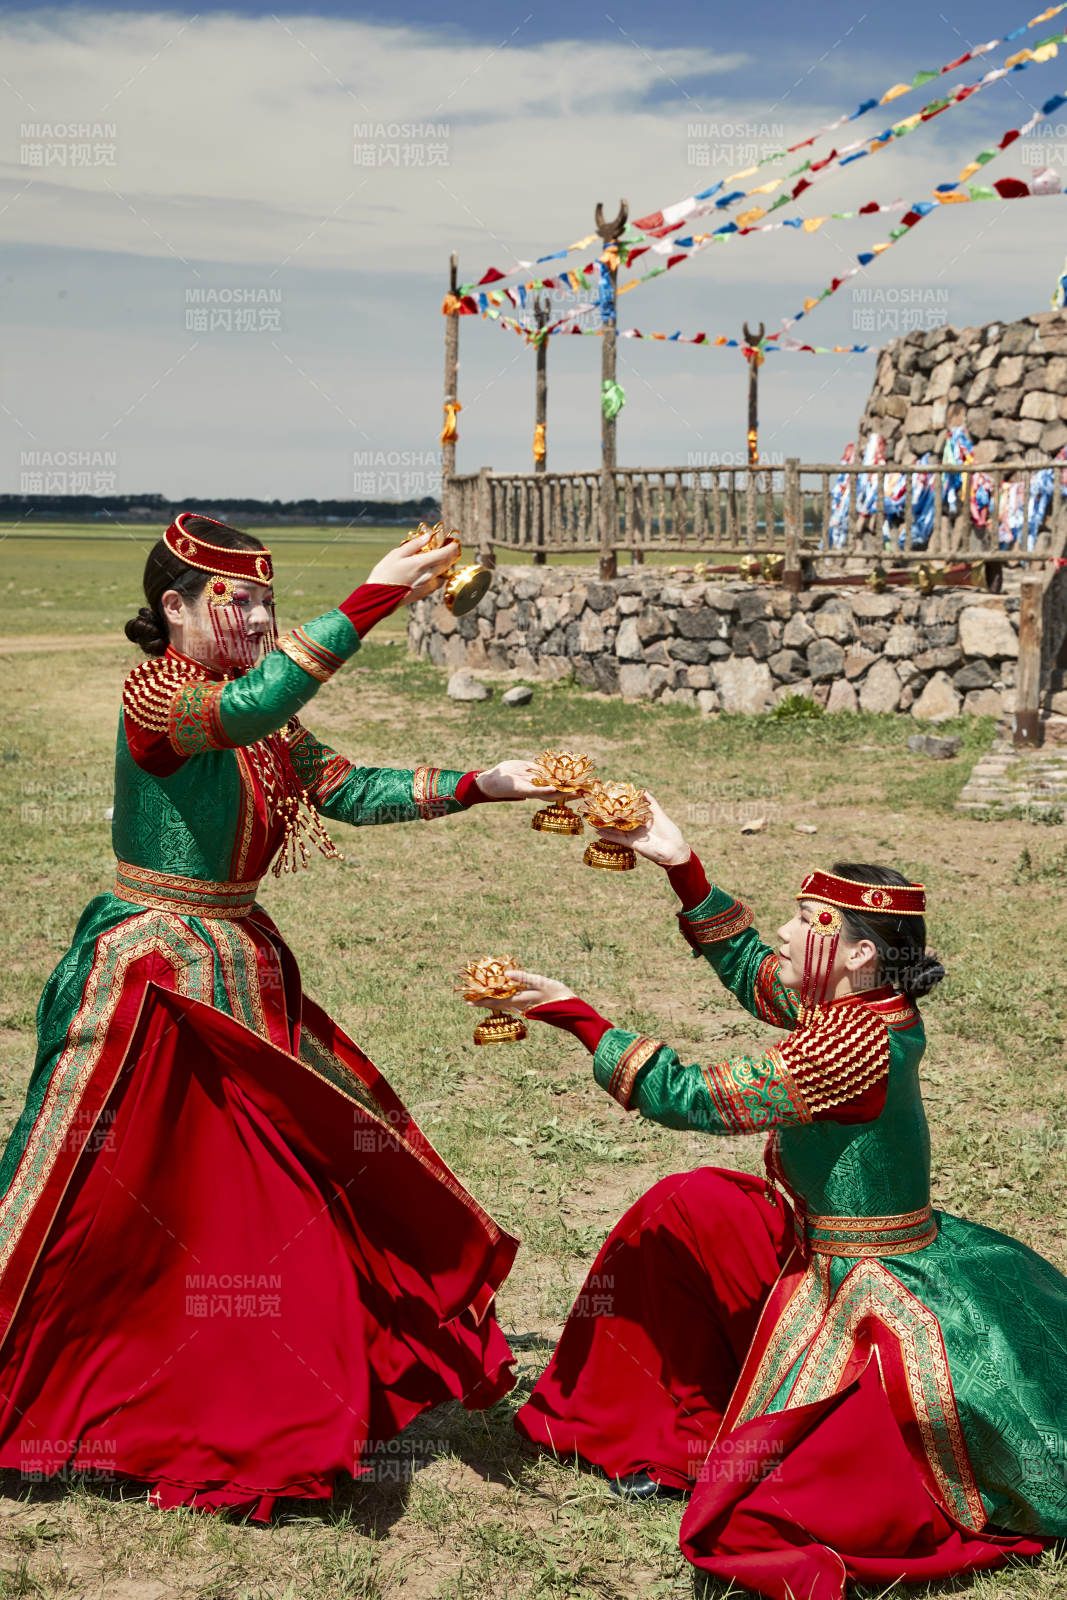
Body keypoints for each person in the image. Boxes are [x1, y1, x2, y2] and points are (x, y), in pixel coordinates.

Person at [0, 513, 554, 1522]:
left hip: (244, 970)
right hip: (153, 976)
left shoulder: (266, 722)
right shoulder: (159, 695)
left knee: (262, 1200)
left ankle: (251, 1388)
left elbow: (344, 788)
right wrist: (373, 594)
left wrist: (481, 783)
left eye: (266, 600)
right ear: (173, 607)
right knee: (111, 1197)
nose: (257, 616)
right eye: (236, 601)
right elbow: (254, 704)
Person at [469, 795, 1067, 1600]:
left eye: (808, 921)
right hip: (827, 1240)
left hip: (868, 1283)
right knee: (687, 1207)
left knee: (771, 1504)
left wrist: (572, 1014)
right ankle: (654, 1416)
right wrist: (681, 866)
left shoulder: (850, 1043)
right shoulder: (857, 1003)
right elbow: (758, 977)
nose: (787, 933)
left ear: (856, 956)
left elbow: (690, 1097)